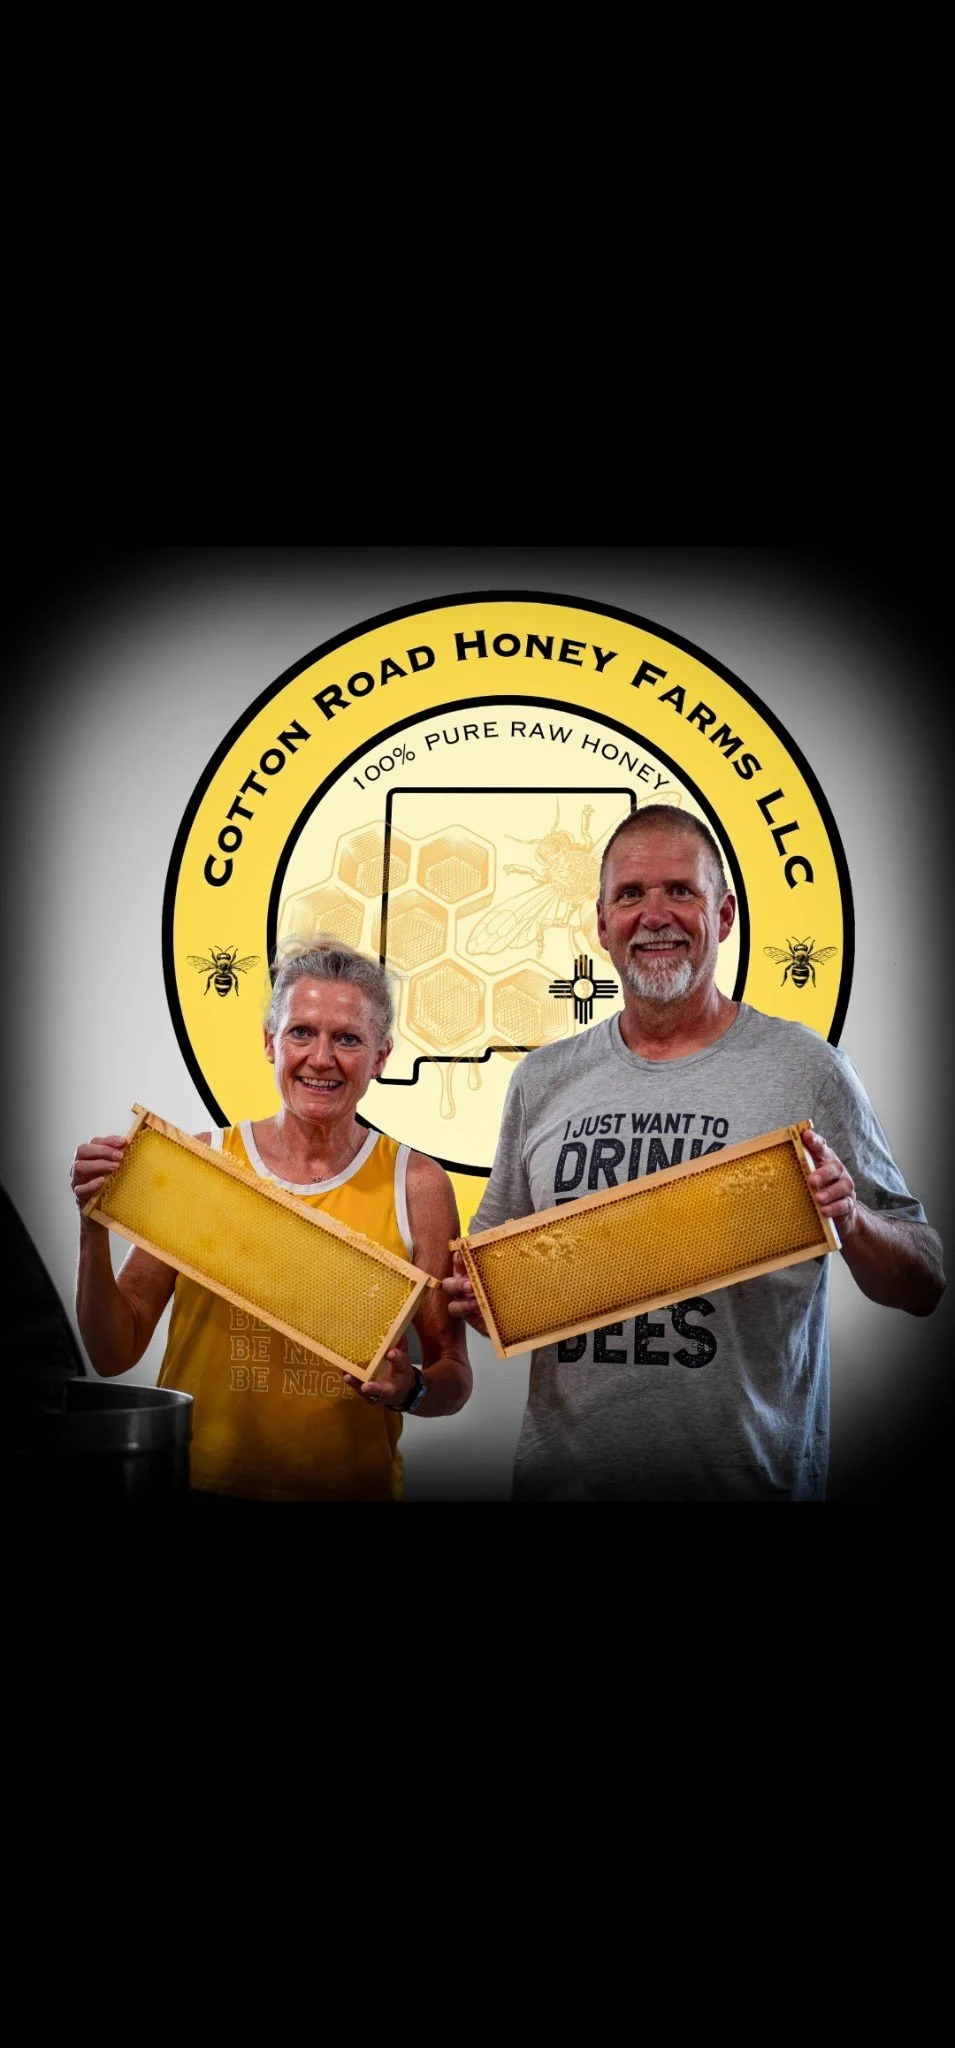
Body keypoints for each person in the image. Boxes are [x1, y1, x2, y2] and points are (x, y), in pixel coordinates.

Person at [444, 806, 946, 1502]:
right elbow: (493, 1287)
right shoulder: (541, 1080)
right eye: (630, 895)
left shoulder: (805, 1067)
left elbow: (923, 1284)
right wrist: (473, 1296)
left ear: (725, 912)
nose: (655, 915)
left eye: (679, 890)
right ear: (600, 925)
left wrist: (852, 1217)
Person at [71, 941, 472, 1501]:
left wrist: (411, 1390)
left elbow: (453, 1376)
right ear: (269, 1042)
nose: (321, 1058)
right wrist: (94, 1229)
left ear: (380, 1057)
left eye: (348, 1039)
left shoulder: (419, 1185)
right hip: (197, 1484)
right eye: (301, 1032)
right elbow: (113, 1353)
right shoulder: (202, 1165)